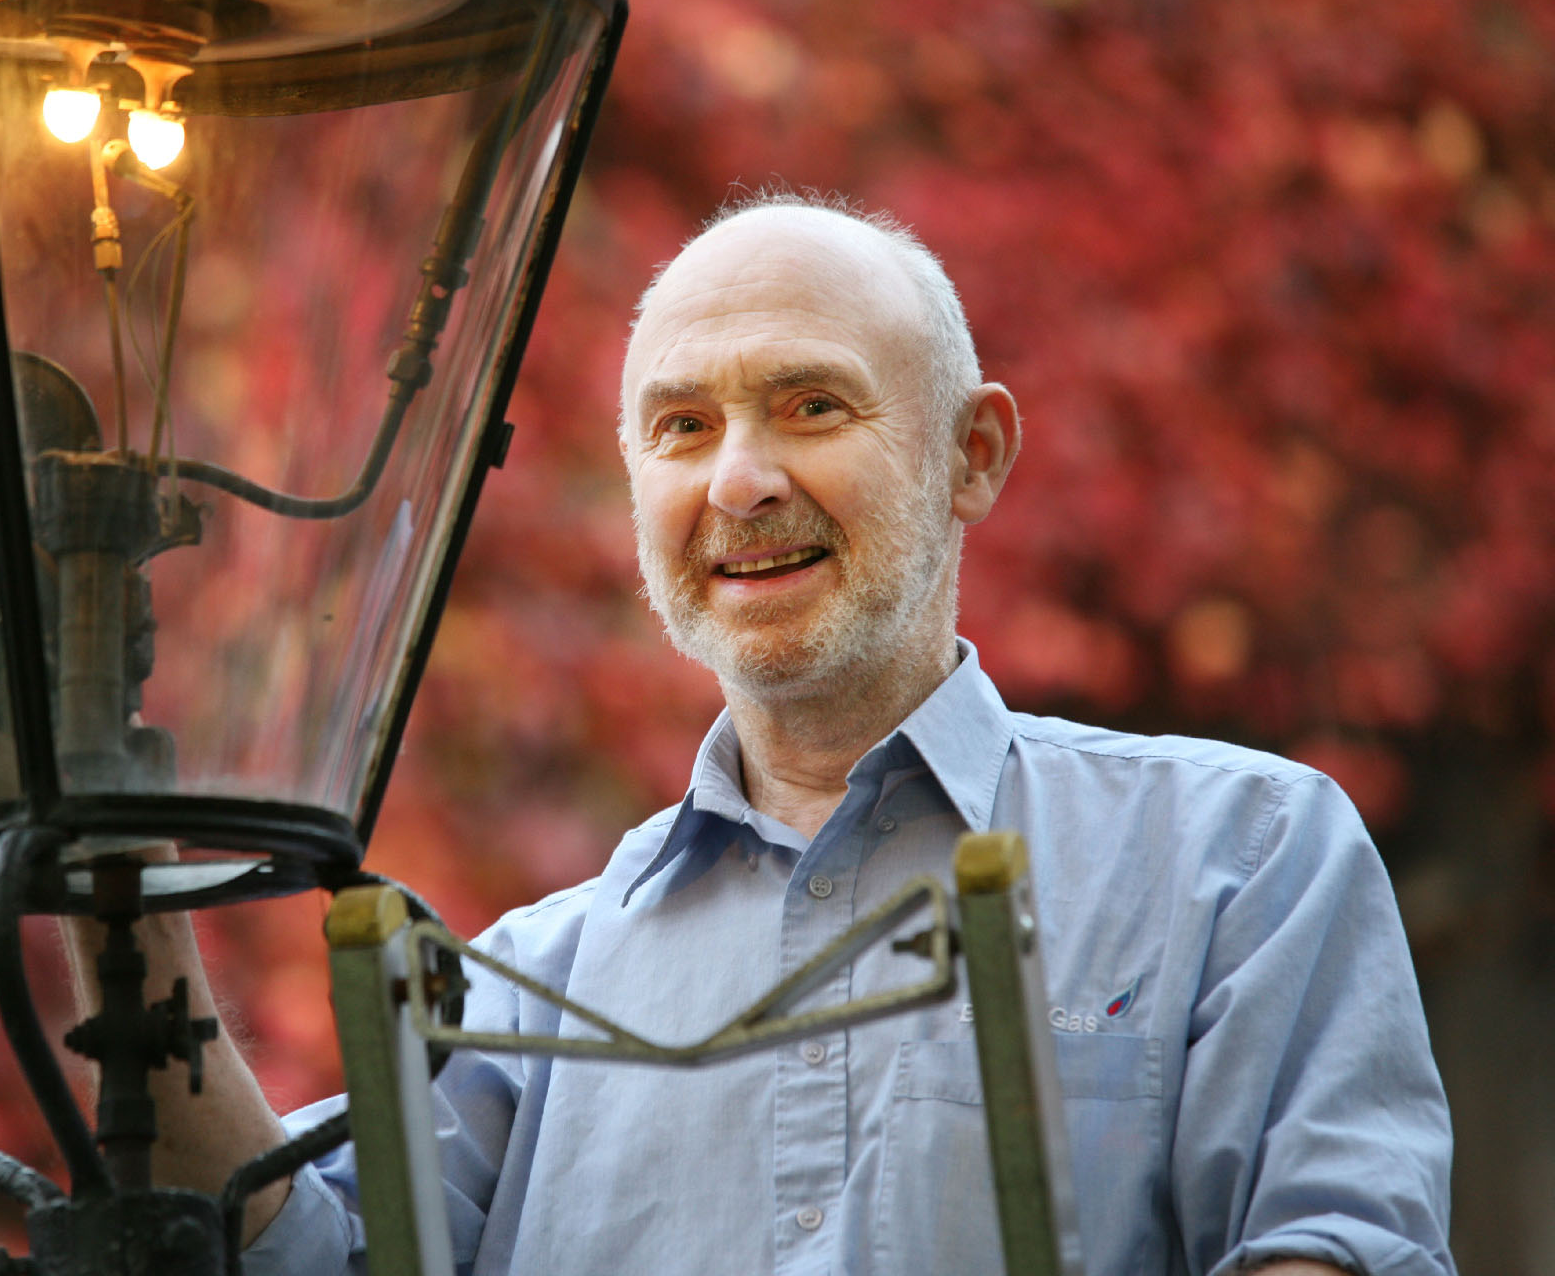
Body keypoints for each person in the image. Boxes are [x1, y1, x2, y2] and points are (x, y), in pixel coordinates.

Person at [104, 195, 1457, 1275]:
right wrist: (115, 861)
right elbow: (282, 1246)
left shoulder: (1240, 855)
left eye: (813, 405)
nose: (740, 481)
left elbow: (1338, 1247)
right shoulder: (529, 991)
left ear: (975, 455)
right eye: (682, 428)